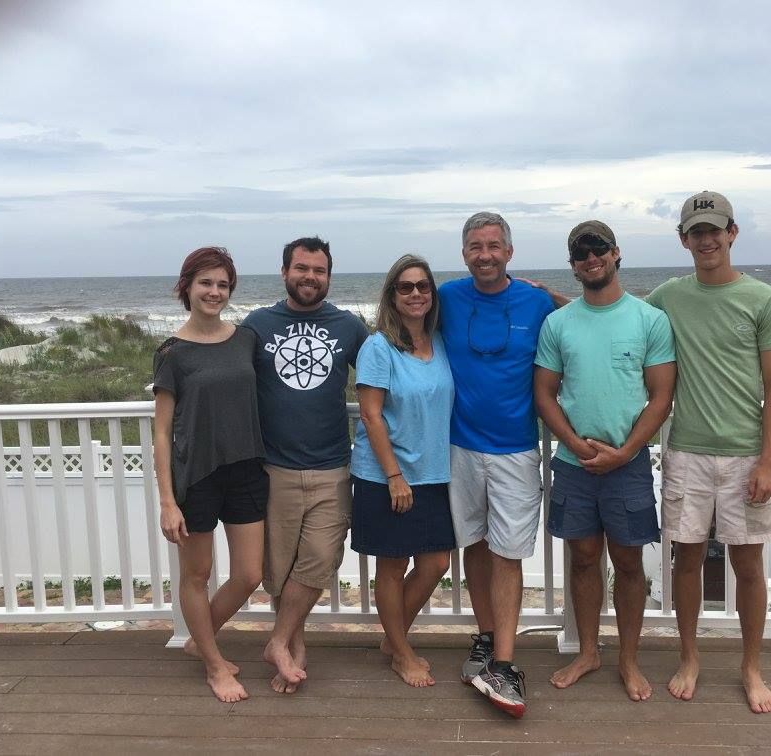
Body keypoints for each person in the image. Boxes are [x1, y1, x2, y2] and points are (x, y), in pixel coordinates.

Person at [647, 191, 771, 714]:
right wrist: (556, 304)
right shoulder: (668, 296)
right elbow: (617, 319)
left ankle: (751, 667)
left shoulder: (763, 300)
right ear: (684, 239)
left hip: (746, 454)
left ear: (732, 233)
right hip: (686, 450)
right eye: (696, 231)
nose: (706, 239)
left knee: (747, 564)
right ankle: (690, 657)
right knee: (685, 559)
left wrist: (768, 461)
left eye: (715, 229)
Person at [534, 221, 676, 700]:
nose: (590, 259)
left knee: (629, 563)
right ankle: (589, 651)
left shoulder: (647, 319)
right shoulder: (559, 323)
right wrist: (574, 444)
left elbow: (661, 396)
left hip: (629, 465)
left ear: (616, 254)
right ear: (573, 264)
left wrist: (627, 452)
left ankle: (629, 661)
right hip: (574, 465)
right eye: (580, 253)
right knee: (584, 560)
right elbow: (545, 393)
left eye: (598, 249)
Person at [438, 211, 565, 718]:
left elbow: (584, 318)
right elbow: (401, 316)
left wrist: (554, 293)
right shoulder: (445, 297)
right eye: (475, 246)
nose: (484, 254)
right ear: (464, 253)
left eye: (494, 246)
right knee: (475, 542)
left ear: (509, 252)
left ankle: (506, 666)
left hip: (516, 448)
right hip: (459, 446)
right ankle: (486, 640)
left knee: (508, 552)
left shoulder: (534, 301)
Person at [242, 237, 369, 694]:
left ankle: (277, 640)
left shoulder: (349, 327)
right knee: (280, 567)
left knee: (318, 560)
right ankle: (293, 651)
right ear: (284, 272)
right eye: (302, 268)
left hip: (333, 467)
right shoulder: (257, 325)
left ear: (329, 277)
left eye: (318, 270)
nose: (310, 277)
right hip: (273, 468)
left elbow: (381, 378)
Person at [153, 246, 268, 703]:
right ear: (187, 287)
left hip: (246, 469)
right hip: (196, 476)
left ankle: (199, 641)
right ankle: (214, 664)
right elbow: (162, 431)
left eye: (222, 284)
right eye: (206, 283)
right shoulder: (172, 353)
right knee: (197, 575)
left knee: (249, 573)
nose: (214, 292)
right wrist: (167, 500)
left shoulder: (246, 340)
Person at [350, 254, 456, 688]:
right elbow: (371, 415)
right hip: (386, 476)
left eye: (423, 287)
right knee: (392, 567)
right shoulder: (379, 347)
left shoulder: (441, 342)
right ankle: (401, 651)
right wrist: (394, 475)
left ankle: (394, 639)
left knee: (435, 562)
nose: (415, 294)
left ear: (432, 294)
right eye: (405, 287)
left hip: (433, 472)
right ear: (392, 295)